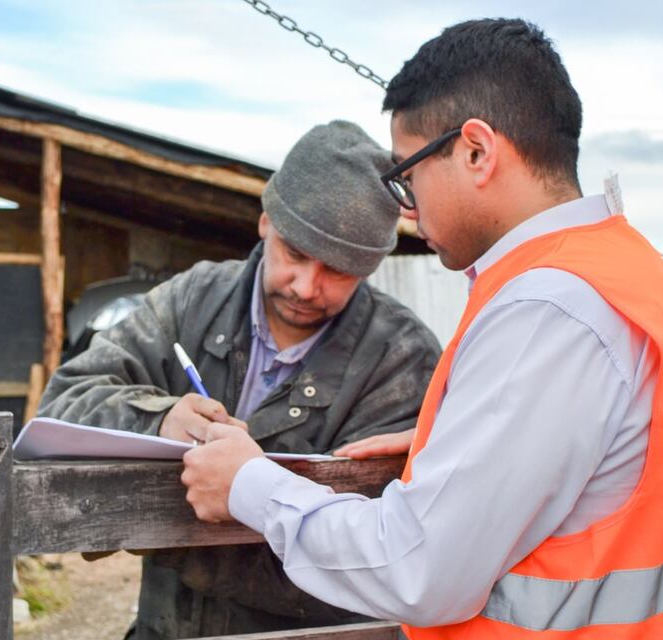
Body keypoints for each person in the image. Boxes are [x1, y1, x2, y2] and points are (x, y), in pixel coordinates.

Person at [181, 18, 663, 639]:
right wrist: (460, 446)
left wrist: (250, 485)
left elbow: (417, 568)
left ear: (476, 151)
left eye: (407, 176)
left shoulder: (547, 311)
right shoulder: (631, 272)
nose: (409, 210)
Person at [37, 120, 441, 639]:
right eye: (295, 253)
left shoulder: (402, 360)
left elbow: (369, 556)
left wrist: (175, 523)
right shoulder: (192, 298)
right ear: (265, 222)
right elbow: (62, 402)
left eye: (338, 270)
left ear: (370, 267)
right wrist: (159, 420)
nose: (305, 286)